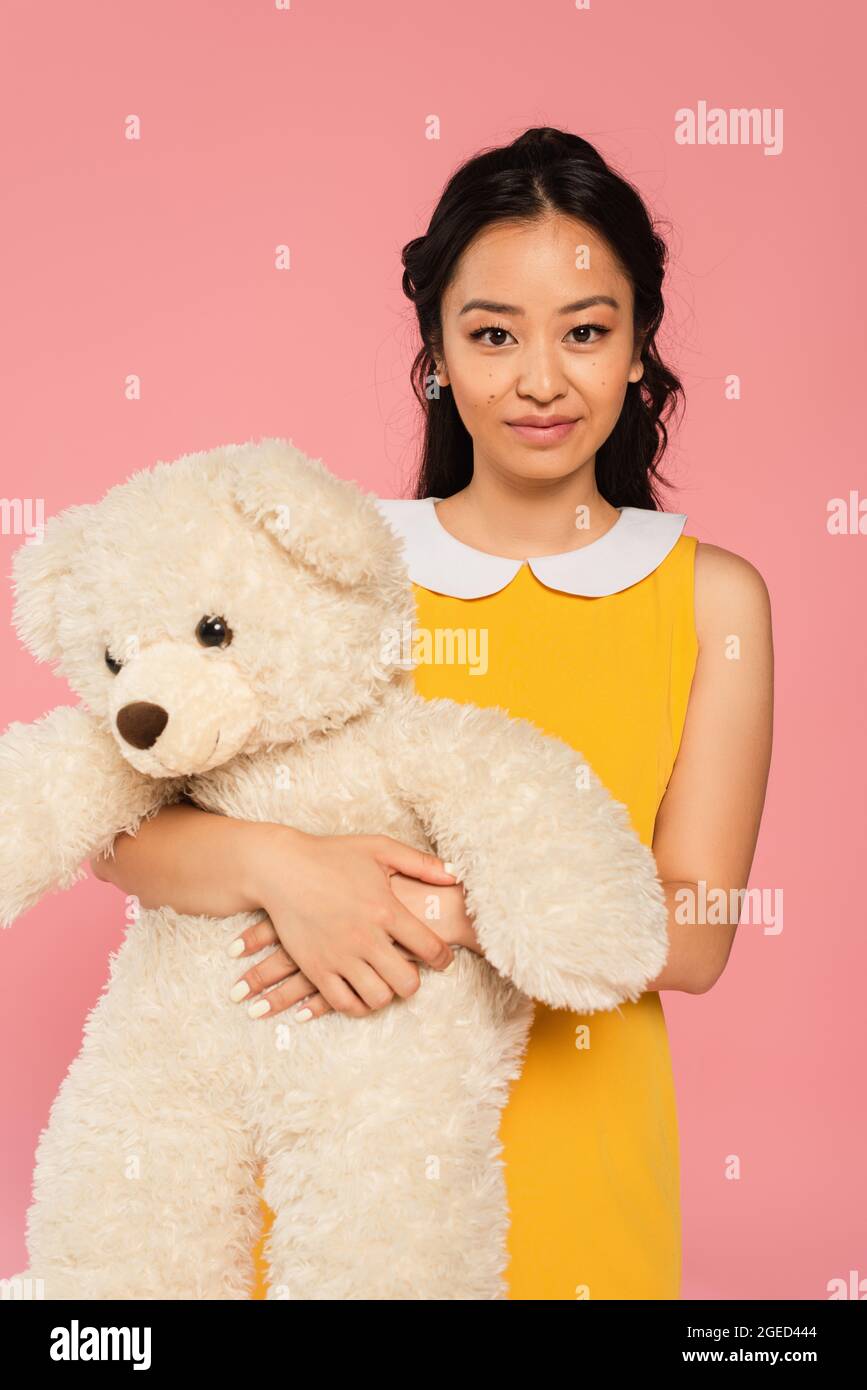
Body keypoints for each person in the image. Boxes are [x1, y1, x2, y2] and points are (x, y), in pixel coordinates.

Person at [92, 126, 773, 1299]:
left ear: (638, 350)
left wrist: (408, 908)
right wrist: (284, 868)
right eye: (494, 334)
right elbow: (119, 828)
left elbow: (697, 929)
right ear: (438, 357)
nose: (541, 379)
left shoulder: (711, 598)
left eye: (585, 331)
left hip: (582, 1158)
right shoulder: (332, 570)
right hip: (329, 1173)